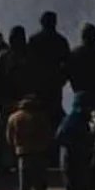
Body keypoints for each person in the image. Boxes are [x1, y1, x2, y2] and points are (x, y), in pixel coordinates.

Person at [44, 92, 95, 190]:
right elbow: (62, 138)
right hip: (73, 167)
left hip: (79, 166)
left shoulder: (79, 120)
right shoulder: (74, 121)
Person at [6, 95, 54, 190]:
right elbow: (48, 135)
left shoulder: (14, 117)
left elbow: (9, 138)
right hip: (39, 155)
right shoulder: (40, 117)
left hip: (23, 155)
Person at [28, 11, 71, 145]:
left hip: (38, 85)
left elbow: (29, 62)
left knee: (38, 116)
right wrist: (62, 80)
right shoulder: (61, 41)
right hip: (54, 85)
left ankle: (41, 147)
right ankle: (55, 147)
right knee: (55, 115)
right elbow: (67, 64)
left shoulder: (34, 40)